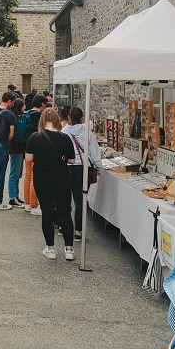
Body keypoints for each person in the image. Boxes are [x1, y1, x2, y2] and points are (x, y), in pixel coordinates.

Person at [25, 108, 76, 261]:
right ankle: (69, 249)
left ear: (41, 120)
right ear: (56, 119)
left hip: (42, 177)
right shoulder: (65, 138)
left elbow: (28, 159)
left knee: (47, 211)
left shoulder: (35, 137)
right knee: (64, 212)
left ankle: (51, 248)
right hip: (61, 178)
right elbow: (71, 160)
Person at [62, 105, 103, 241]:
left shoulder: (64, 132)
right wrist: (98, 168)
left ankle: (64, 226)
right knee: (79, 200)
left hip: (66, 167)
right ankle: (78, 231)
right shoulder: (87, 133)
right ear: (81, 118)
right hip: (82, 168)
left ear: (69, 118)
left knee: (66, 198)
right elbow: (95, 152)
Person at [23, 95, 46, 214]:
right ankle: (33, 204)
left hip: (26, 147)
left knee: (27, 175)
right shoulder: (38, 117)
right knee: (34, 176)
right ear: (42, 104)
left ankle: (26, 202)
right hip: (35, 148)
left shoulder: (27, 113)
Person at [7, 97, 30, 207]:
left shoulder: (15, 117)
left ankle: (15, 196)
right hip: (17, 148)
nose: (25, 107)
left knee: (17, 173)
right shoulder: (18, 118)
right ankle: (12, 197)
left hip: (16, 147)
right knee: (14, 173)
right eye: (23, 105)